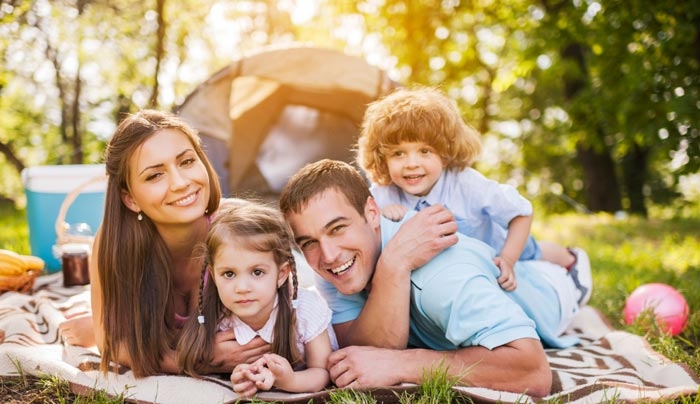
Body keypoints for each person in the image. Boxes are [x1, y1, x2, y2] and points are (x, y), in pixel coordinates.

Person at [279, 159, 593, 397]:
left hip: (549, 288)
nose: (329, 254)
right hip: (478, 271)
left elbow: (533, 371)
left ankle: (573, 261)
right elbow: (362, 349)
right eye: (308, 242)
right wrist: (392, 267)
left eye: (338, 228)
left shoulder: (441, 278)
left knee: (555, 264)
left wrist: (403, 365)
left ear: (372, 213)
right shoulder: (335, 265)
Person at [59, 110, 269, 377]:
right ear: (130, 199)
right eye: (154, 175)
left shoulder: (240, 231)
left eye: (187, 162)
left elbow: (288, 327)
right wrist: (194, 358)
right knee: (95, 326)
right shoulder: (115, 242)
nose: (181, 183)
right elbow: (110, 342)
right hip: (153, 323)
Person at [356, 86, 591, 299]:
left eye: (425, 151)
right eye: (398, 153)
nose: (411, 163)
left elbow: (521, 212)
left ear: (445, 151)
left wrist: (508, 260)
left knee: (533, 250)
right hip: (457, 266)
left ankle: (570, 259)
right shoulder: (382, 195)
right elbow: (362, 227)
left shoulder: (466, 183)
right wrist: (383, 215)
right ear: (382, 157)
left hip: (496, 242)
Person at [177, 202, 337, 396]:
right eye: (228, 274)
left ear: (281, 273)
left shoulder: (306, 310)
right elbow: (198, 359)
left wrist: (289, 380)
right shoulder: (217, 315)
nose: (242, 288)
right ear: (213, 274)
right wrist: (241, 377)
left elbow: (322, 372)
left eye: (257, 272)